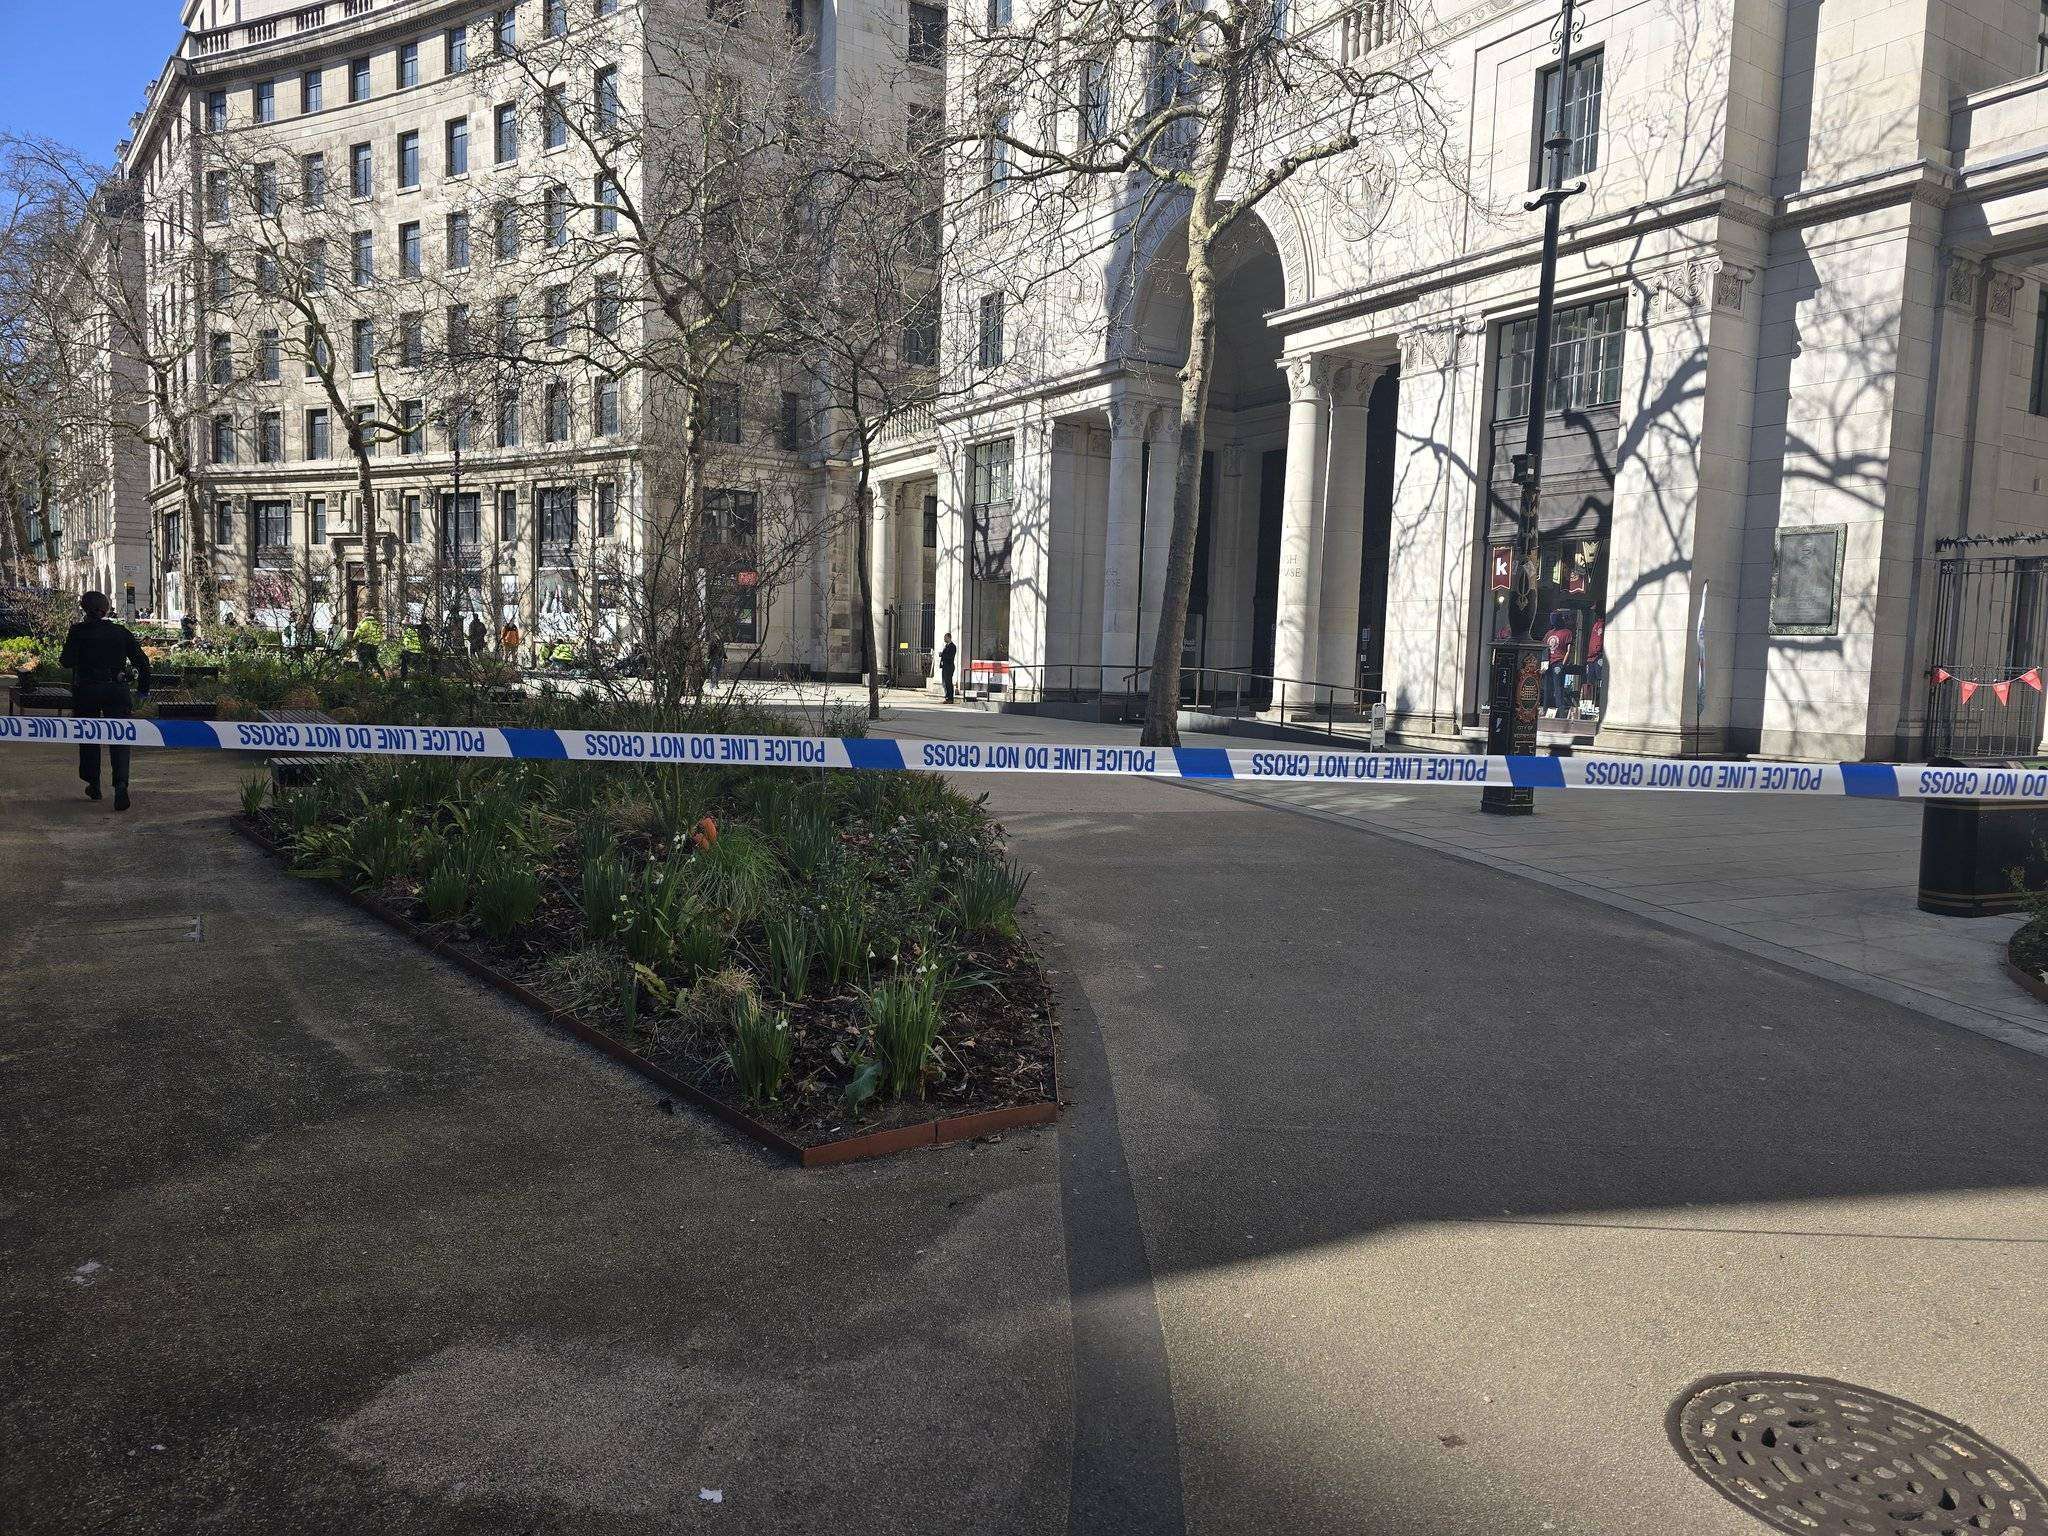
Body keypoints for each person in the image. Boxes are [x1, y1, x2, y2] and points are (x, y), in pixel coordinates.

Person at [59, 591, 151, 812]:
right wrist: (142, 691)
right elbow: (143, 662)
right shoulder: (120, 632)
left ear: (83, 608)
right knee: (119, 737)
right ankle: (121, 784)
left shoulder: (78, 632)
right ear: (107, 609)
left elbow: (66, 661)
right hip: (116, 690)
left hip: (87, 690)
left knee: (89, 736)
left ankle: (94, 784)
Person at [938, 631, 958, 703]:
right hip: (945, 666)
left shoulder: (952, 646)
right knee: (945, 683)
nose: (944, 639)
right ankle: (947, 697)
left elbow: (950, 656)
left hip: (949, 667)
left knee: (948, 682)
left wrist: (942, 654)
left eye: (945, 638)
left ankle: (950, 698)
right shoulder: (946, 645)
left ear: (949, 638)